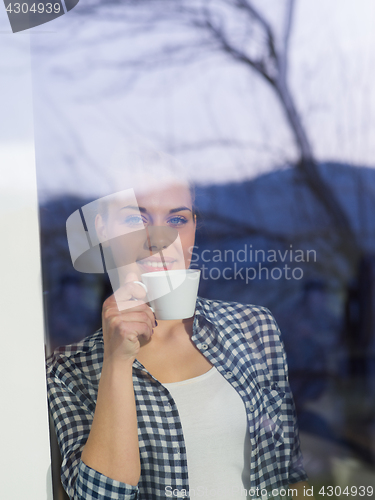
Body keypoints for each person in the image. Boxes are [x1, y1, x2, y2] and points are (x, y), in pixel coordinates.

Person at [46, 149, 310, 500]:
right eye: (136, 219)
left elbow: (289, 476)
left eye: (176, 220)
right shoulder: (67, 371)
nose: (159, 238)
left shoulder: (254, 328)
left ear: (194, 230)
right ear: (103, 230)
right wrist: (117, 362)